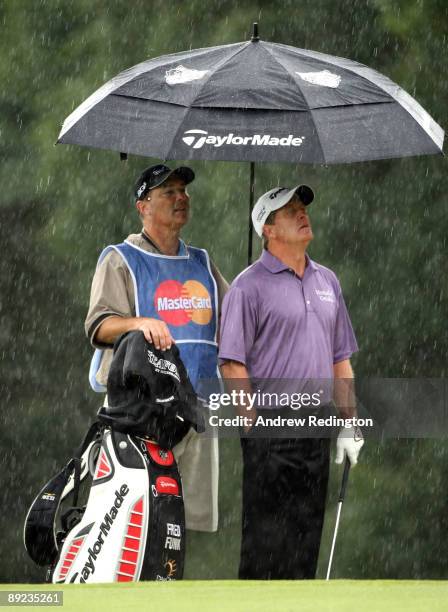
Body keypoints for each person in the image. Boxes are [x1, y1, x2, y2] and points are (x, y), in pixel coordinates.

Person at [219, 184, 364, 579]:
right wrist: (252, 428)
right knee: (265, 545)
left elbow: (340, 359)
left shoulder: (327, 281)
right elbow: (232, 365)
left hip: (316, 427)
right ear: (268, 228)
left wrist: (350, 422)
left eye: (303, 207)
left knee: (306, 539)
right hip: (271, 426)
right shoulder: (247, 287)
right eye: (290, 210)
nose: (303, 214)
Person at [85, 163, 228, 533]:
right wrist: (139, 323)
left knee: (181, 525)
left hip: (197, 408)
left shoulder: (203, 263)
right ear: (143, 206)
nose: (181, 198)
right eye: (169, 192)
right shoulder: (120, 259)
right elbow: (100, 326)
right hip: (140, 411)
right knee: (129, 517)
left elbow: (237, 322)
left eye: (184, 191)